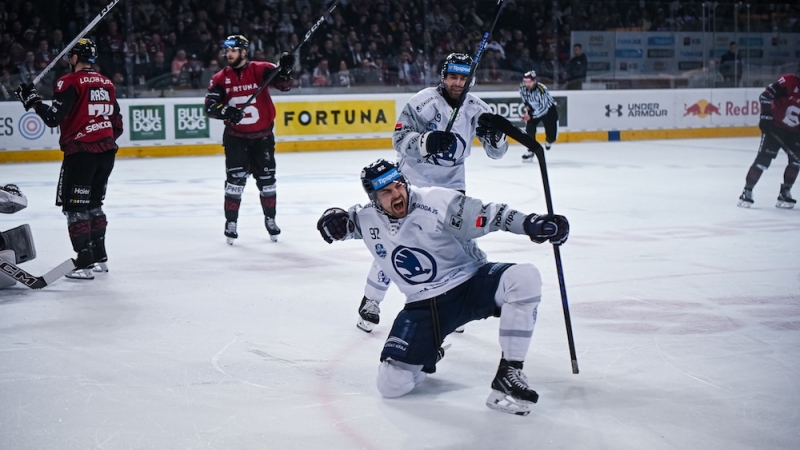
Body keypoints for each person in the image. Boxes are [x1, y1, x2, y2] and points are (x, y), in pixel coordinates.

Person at [316, 158, 569, 416]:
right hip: (424, 305)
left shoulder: (436, 202)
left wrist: (531, 223)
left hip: (471, 281)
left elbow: (493, 215)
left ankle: (510, 373)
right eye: (386, 192)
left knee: (524, 276)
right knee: (391, 384)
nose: (397, 194)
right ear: (374, 199)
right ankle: (429, 354)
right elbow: (340, 224)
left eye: (398, 186)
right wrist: (329, 221)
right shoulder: (366, 218)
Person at [355, 52, 509, 333]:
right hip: (412, 184)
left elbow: (497, 153)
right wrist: (426, 141)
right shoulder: (423, 101)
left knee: (454, 247)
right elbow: (399, 138)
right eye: (453, 77)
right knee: (398, 243)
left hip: (452, 188)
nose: (458, 83)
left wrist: (495, 137)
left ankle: (454, 301)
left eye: (464, 78)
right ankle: (371, 299)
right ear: (444, 77)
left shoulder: (478, 108)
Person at [14, 38, 123, 280]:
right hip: (106, 152)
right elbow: (118, 125)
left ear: (75, 57)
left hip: (81, 153)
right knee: (94, 205)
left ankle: (84, 261)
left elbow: (54, 118)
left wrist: (32, 101)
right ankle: (100, 256)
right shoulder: (106, 83)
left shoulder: (69, 81)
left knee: (75, 208)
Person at [205, 35, 294, 244]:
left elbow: (284, 84)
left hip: (262, 138)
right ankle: (231, 223)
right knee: (235, 182)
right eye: (227, 50)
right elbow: (210, 106)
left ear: (244, 52)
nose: (229, 54)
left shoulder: (261, 69)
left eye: (233, 50)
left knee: (267, 181)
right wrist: (226, 112)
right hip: (236, 139)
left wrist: (286, 69)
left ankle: (270, 220)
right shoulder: (220, 77)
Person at [737, 72, 799, 209]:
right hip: (775, 127)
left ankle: (785, 191)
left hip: (795, 131)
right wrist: (766, 116)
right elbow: (765, 96)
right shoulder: (789, 82)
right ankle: (747, 191)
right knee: (763, 160)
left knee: (796, 161)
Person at [519, 70, 559, 161]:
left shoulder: (542, 90)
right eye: (525, 81)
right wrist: (527, 105)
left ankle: (549, 141)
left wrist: (531, 116)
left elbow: (544, 108)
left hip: (548, 111)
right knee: (529, 128)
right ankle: (531, 150)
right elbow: (523, 96)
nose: (527, 84)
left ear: (534, 81)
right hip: (533, 109)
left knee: (552, 136)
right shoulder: (522, 88)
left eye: (529, 81)